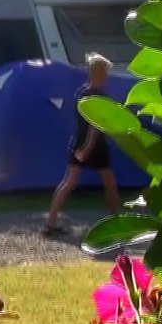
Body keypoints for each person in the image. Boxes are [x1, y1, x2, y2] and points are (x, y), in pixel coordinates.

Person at [43, 53, 120, 236]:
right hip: (93, 147)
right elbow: (94, 125)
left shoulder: (81, 92)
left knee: (68, 183)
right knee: (109, 183)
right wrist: (88, 148)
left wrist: (83, 147)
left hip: (78, 143)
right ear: (99, 73)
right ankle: (116, 220)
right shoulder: (97, 96)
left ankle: (51, 221)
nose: (107, 76)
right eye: (106, 73)